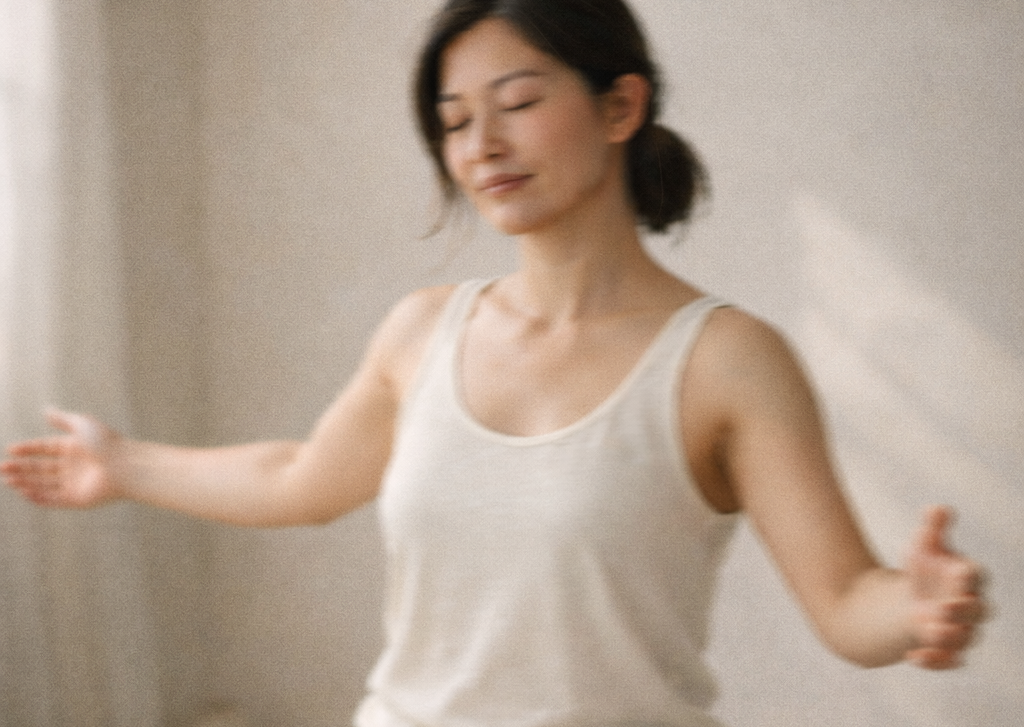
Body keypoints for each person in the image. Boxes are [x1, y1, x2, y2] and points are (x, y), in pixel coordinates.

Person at [2, 1, 987, 725]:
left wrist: (917, 604)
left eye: (516, 103)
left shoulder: (726, 362)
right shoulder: (421, 329)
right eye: (454, 117)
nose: (481, 145)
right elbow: (302, 478)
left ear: (619, 106)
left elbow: (845, 601)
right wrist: (122, 465)